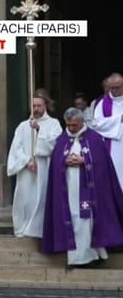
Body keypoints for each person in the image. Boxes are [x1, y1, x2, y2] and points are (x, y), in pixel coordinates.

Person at [42, 108, 123, 268]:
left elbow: (103, 165)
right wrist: (64, 161)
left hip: (88, 190)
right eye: (69, 125)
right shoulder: (62, 140)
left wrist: (85, 160)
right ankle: (89, 255)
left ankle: (83, 258)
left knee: (86, 220)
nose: (71, 128)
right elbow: (56, 162)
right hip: (68, 190)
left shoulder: (94, 139)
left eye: (75, 125)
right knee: (73, 220)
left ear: (81, 123)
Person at [7, 94, 63, 238]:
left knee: (41, 197)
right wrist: (27, 161)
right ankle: (22, 228)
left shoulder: (54, 124)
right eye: (34, 106)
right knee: (24, 198)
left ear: (45, 106)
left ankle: (39, 229)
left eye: (39, 106)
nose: (36, 109)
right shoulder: (22, 126)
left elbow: (56, 145)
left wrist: (39, 129)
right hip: (26, 169)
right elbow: (16, 148)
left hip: (44, 168)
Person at [91, 73, 123, 189]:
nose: (114, 90)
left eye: (117, 87)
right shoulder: (103, 104)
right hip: (112, 147)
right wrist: (119, 119)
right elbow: (96, 125)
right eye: (111, 88)